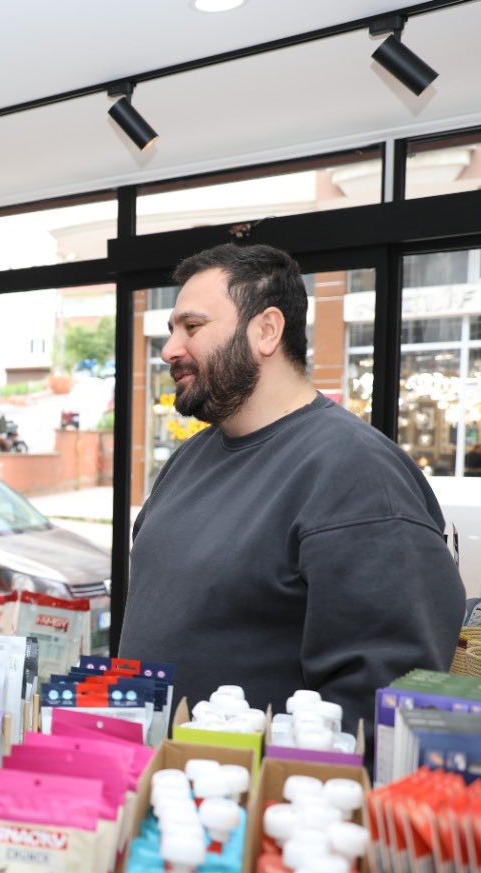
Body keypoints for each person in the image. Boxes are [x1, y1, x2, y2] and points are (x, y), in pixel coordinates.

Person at [117, 243, 463, 740]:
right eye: (173, 330)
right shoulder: (189, 459)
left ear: (267, 330)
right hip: (153, 773)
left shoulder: (356, 472)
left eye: (191, 327)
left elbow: (382, 696)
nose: (170, 349)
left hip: (260, 784)